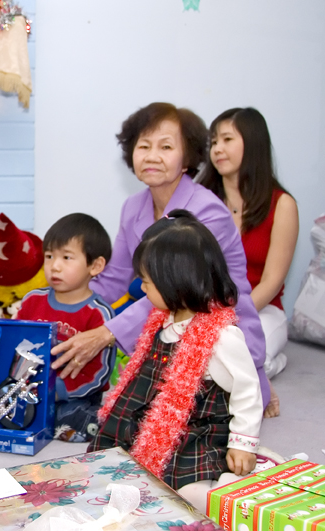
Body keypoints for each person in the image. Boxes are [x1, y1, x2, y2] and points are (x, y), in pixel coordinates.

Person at [50, 102, 271, 412]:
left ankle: (259, 379)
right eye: (143, 146)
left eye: (166, 146)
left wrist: (106, 333)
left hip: (218, 331)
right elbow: (113, 279)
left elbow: (175, 292)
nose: (152, 156)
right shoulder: (132, 208)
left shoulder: (207, 212)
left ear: (187, 159)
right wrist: (59, 306)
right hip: (164, 326)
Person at [88, 210, 263, 514]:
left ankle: (223, 490)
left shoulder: (221, 335)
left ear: (175, 282)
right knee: (108, 468)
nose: (141, 289)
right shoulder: (162, 320)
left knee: (185, 493)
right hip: (146, 420)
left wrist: (243, 443)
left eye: (146, 282)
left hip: (195, 432)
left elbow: (248, 391)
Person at [198, 107, 299, 418]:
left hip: (261, 309)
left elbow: (271, 281)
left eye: (227, 139)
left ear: (253, 143)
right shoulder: (200, 200)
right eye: (213, 142)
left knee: (243, 355)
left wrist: (232, 316)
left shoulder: (282, 204)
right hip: (207, 308)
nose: (217, 149)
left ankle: (272, 365)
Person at [16, 213, 116, 442]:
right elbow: (15, 342)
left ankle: (89, 421)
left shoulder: (99, 313)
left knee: (71, 420)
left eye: (67, 257)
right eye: (49, 256)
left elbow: (99, 374)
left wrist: (57, 391)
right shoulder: (32, 300)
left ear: (95, 265)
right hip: (29, 385)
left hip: (74, 394)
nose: (55, 266)